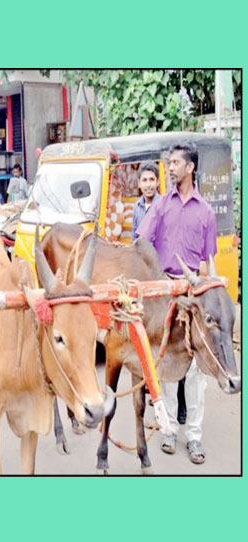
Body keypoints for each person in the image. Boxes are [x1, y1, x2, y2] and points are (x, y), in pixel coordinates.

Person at [135, 141, 216, 465]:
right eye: (169, 163)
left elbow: (209, 263)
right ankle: (168, 430)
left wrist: (207, 299)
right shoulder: (161, 205)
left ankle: (193, 437)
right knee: (166, 362)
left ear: (190, 168)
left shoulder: (206, 211)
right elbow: (142, 242)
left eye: (175, 163)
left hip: (194, 295)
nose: (170, 168)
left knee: (195, 371)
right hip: (165, 292)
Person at [131, 161, 160, 240]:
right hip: (141, 252)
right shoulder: (137, 206)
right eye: (144, 180)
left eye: (151, 180)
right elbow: (134, 236)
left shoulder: (163, 205)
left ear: (157, 182)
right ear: (139, 183)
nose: (148, 185)